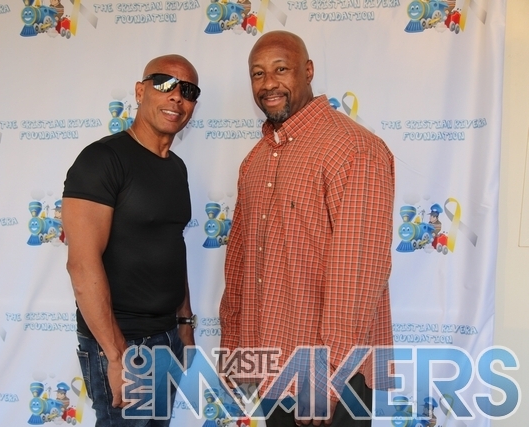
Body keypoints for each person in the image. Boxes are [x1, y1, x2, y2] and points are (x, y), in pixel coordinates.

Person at [219, 31, 395, 427]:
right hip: (270, 368)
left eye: (281, 69)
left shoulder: (353, 148)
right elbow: (241, 265)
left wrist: (327, 379)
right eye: (258, 73)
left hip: (331, 377)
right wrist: (236, 353)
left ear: (308, 70)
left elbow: (358, 274)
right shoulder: (255, 160)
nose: (268, 83)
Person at [62, 54, 201, 426]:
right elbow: (82, 265)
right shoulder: (102, 160)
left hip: (167, 338)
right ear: (140, 92)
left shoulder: (176, 167)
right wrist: (115, 353)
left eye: (188, 91)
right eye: (165, 84)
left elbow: (172, 246)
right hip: (124, 343)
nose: (177, 97)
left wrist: (184, 324)